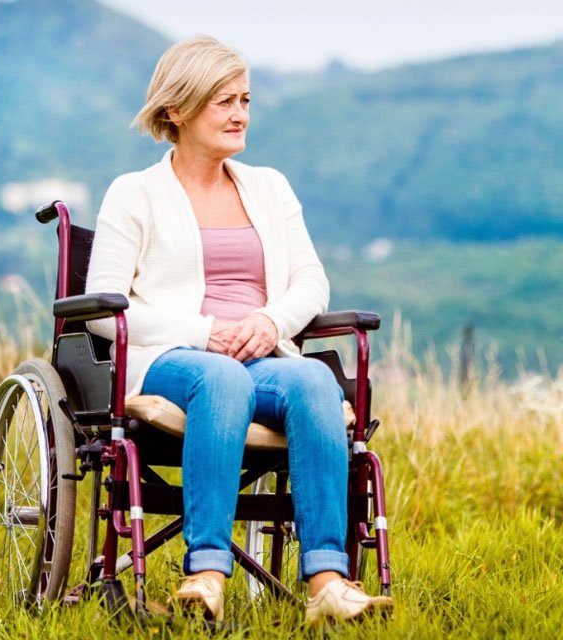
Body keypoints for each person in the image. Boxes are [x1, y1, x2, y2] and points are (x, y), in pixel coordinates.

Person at [85, 35, 393, 625]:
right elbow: (105, 306)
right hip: (171, 360)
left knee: (312, 381)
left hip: (261, 357)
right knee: (222, 377)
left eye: (245, 100)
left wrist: (268, 320)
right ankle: (206, 572)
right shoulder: (136, 193)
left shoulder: (269, 188)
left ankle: (328, 580)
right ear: (177, 109)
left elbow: (310, 281)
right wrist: (203, 331)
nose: (240, 114)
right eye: (223, 101)